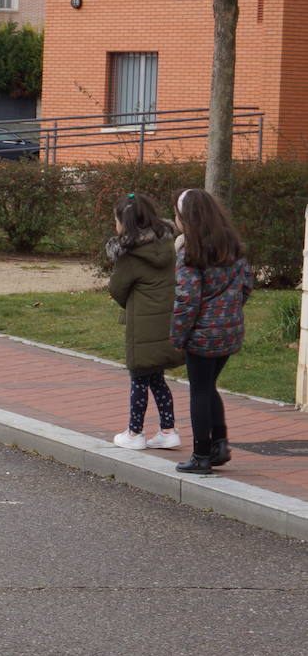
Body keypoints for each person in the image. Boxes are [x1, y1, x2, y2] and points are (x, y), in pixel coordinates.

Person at [170, 188, 254, 474]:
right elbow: (246, 286)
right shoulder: (232, 245)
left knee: (199, 392)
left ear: (187, 218)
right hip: (229, 332)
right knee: (209, 388)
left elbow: (187, 298)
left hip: (202, 334)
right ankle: (219, 444)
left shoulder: (190, 251)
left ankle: (201, 455)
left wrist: (178, 335)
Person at [108, 193, 184, 452]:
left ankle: (135, 432)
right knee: (156, 377)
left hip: (142, 325)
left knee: (139, 377)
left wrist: (130, 303)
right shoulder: (166, 244)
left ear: (125, 223)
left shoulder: (130, 255)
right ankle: (168, 429)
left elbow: (117, 288)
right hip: (166, 321)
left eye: (116, 220)